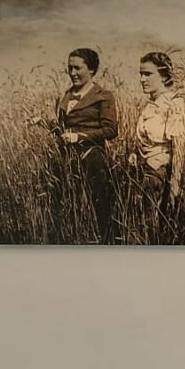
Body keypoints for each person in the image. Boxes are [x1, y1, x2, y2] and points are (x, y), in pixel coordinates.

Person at [42, 47, 118, 244]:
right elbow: (61, 128)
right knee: (67, 204)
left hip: (93, 159)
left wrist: (79, 137)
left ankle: (106, 243)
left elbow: (111, 130)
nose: (72, 73)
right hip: (65, 159)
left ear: (91, 69)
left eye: (77, 68)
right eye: (69, 68)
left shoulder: (104, 95)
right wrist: (42, 122)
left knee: (98, 205)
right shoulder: (65, 95)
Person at [130, 52, 185, 242]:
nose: (142, 79)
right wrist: (133, 153)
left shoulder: (174, 104)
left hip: (159, 173)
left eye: (148, 74)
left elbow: (179, 147)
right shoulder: (149, 105)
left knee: (152, 226)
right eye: (140, 74)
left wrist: (174, 185)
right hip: (143, 172)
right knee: (142, 224)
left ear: (163, 76)